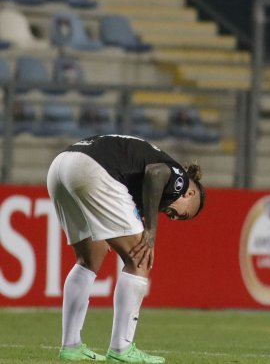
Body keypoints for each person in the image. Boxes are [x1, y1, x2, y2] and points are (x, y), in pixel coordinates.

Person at [48, 134, 206, 362]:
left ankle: (71, 345)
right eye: (184, 214)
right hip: (93, 168)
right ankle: (121, 349)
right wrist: (150, 230)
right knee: (139, 258)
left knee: (89, 259)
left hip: (61, 166)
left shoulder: (146, 182)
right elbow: (155, 173)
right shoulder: (178, 179)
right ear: (190, 193)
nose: (175, 218)